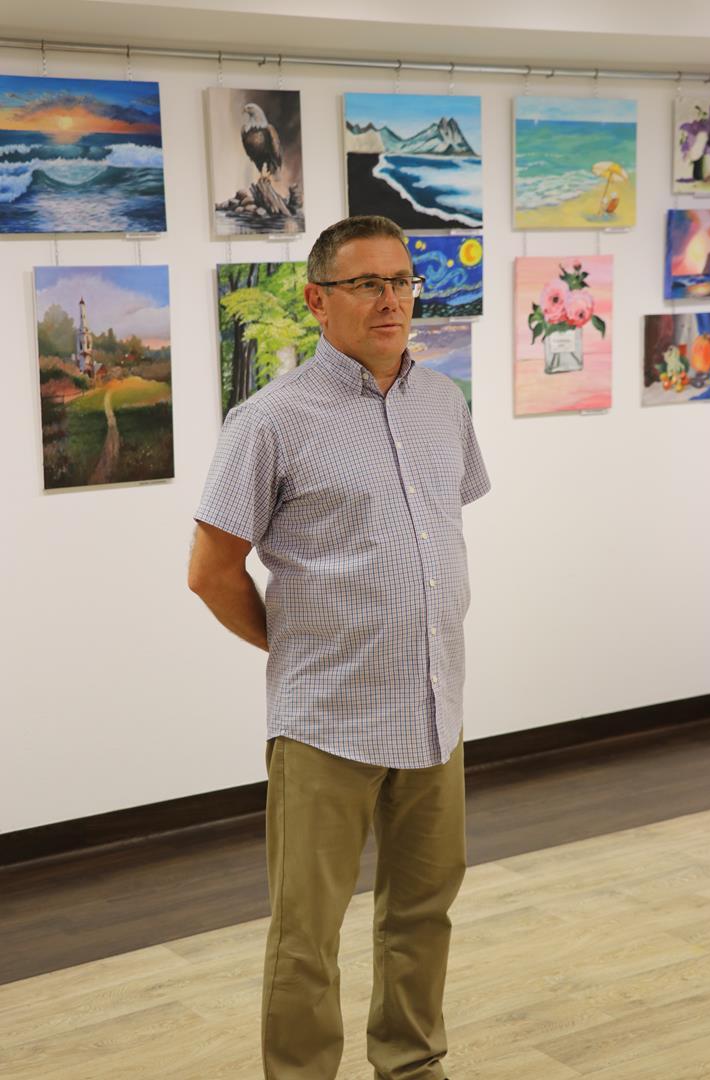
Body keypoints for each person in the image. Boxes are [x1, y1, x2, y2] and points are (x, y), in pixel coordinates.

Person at [188, 215, 491, 1080]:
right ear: (318, 301)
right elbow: (210, 571)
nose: (390, 300)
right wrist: (296, 648)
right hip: (327, 723)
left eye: (400, 282)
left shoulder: (443, 403)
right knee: (306, 936)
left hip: (434, 708)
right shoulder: (270, 420)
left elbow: (437, 529)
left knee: (423, 911)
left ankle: (412, 1063)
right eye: (366, 284)